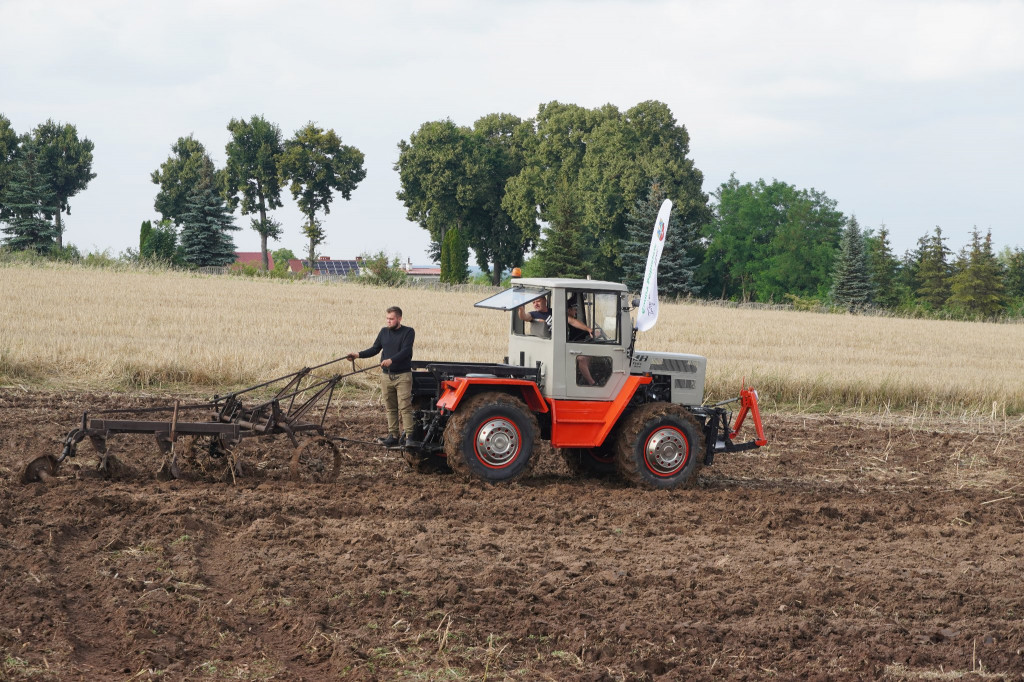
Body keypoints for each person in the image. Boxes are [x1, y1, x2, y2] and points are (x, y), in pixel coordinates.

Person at [346, 306, 415, 446]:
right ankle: (393, 436)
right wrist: (358, 355)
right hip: (386, 377)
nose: (388, 321)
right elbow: (375, 349)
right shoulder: (383, 332)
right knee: (390, 407)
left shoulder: (408, 332)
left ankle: (410, 438)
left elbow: (406, 351)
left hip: (403, 376)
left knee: (405, 407)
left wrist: (391, 360)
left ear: (399, 319)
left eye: (391, 319)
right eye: (387, 319)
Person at [566, 297, 597, 385]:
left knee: (590, 355)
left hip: (578, 346)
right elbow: (573, 321)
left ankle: (584, 379)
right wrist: (589, 330)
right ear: (568, 310)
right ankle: (592, 383)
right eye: (574, 310)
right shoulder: (566, 319)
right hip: (571, 349)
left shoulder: (575, 322)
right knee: (582, 358)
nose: (576, 312)